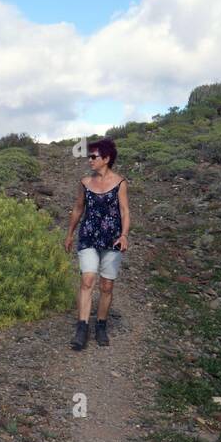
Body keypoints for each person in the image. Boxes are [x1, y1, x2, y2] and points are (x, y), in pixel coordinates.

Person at [63, 138, 129, 350]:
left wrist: (125, 235)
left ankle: (101, 324)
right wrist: (70, 234)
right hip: (89, 237)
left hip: (112, 239)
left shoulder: (120, 183)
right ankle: (81, 327)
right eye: (89, 156)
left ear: (107, 158)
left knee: (107, 285)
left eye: (94, 156)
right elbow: (78, 208)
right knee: (87, 279)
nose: (90, 160)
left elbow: (125, 211)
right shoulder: (84, 183)